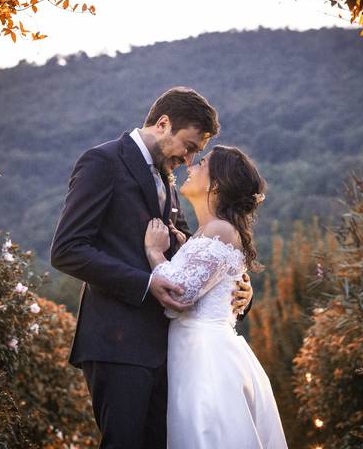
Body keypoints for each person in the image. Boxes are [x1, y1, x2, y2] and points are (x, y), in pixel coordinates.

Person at [50, 87, 254, 448]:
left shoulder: (167, 179)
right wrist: (146, 284)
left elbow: (195, 253)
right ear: (163, 124)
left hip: (168, 347)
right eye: (189, 146)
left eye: (197, 153)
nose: (190, 159)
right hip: (118, 341)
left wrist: (238, 289)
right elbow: (68, 249)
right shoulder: (103, 162)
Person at [144, 145, 287, 448]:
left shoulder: (220, 230)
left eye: (203, 163)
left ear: (217, 184)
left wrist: (155, 254)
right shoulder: (205, 232)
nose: (191, 166)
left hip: (206, 358)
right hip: (194, 351)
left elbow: (180, 296)